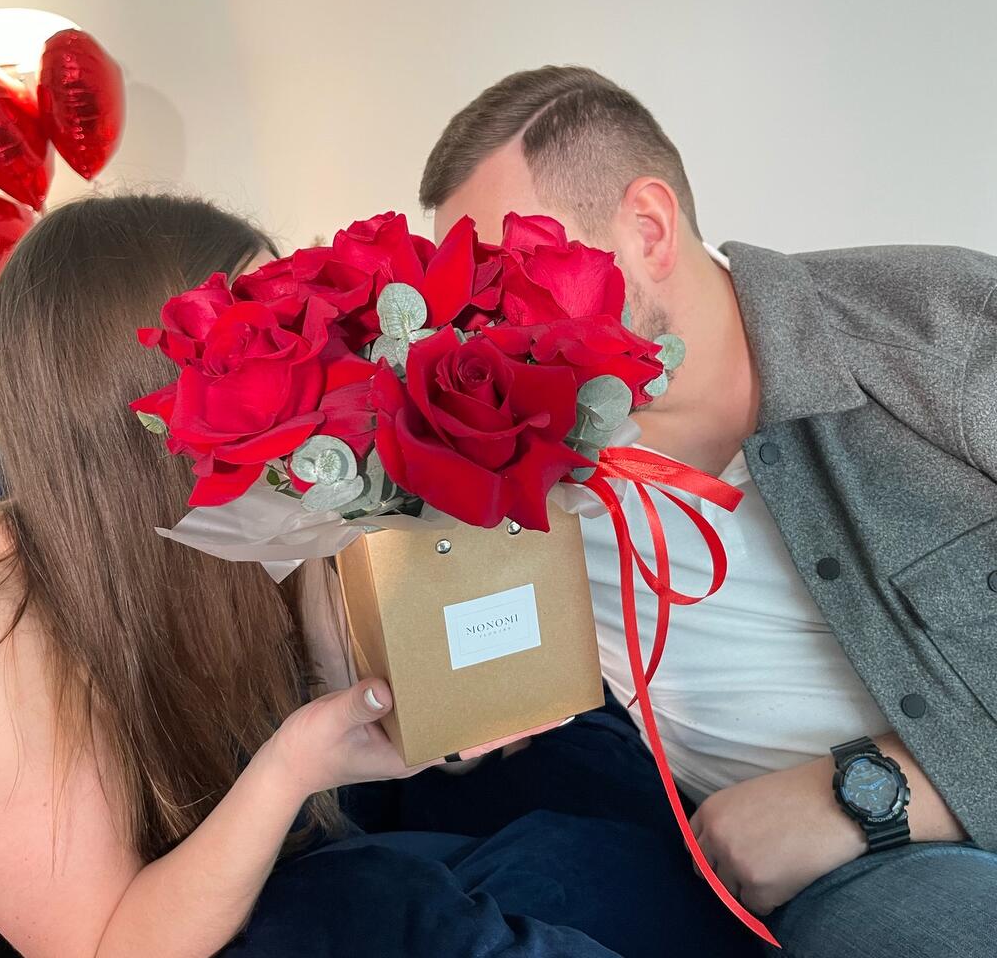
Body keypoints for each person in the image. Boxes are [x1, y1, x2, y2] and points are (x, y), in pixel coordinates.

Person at [0, 193, 740, 958]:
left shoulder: (280, 494)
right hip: (194, 914)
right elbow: (106, 946)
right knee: (372, 904)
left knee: (578, 773)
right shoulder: (18, 618)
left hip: (340, 824)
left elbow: (368, 690)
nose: (325, 368)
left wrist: (456, 689)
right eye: (279, 345)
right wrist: (293, 768)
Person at [417, 65, 997, 957]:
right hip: (884, 891)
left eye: (516, 276)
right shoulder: (518, 462)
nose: (490, 330)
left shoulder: (939, 327)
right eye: (471, 297)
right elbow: (411, 654)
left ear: (648, 229)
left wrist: (872, 794)